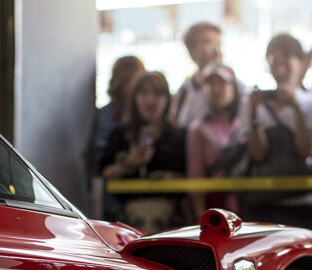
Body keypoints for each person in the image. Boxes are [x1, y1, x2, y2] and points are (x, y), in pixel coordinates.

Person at [239, 34, 312, 229]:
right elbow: (258, 154)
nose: (280, 69)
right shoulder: (254, 103)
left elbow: (306, 150)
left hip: (300, 202)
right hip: (262, 203)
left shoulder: (311, 101)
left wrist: (297, 110)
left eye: (286, 62)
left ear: (301, 63)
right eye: (273, 63)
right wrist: (254, 111)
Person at [101, 72, 187, 234]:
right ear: (135, 98)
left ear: (167, 99)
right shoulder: (120, 134)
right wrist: (129, 163)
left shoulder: (179, 135)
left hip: (172, 224)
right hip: (127, 225)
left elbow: (193, 174)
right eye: (144, 93)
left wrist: (171, 179)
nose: (150, 100)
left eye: (157, 93)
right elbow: (104, 172)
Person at [86, 55, 144, 220]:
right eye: (127, 81)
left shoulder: (143, 113)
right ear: (118, 83)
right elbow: (99, 155)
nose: (132, 86)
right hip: (113, 197)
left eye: (136, 81)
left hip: (142, 196)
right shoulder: (108, 114)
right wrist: (126, 160)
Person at [186, 63, 242, 217]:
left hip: (248, 205)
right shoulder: (198, 129)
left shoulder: (245, 124)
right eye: (210, 85)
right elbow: (195, 177)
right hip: (217, 209)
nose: (215, 89)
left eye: (221, 83)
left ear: (234, 87)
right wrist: (201, 219)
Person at [171, 22, 224, 129]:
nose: (215, 49)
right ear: (192, 52)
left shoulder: (232, 84)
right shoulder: (184, 90)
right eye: (207, 42)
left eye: (218, 43)